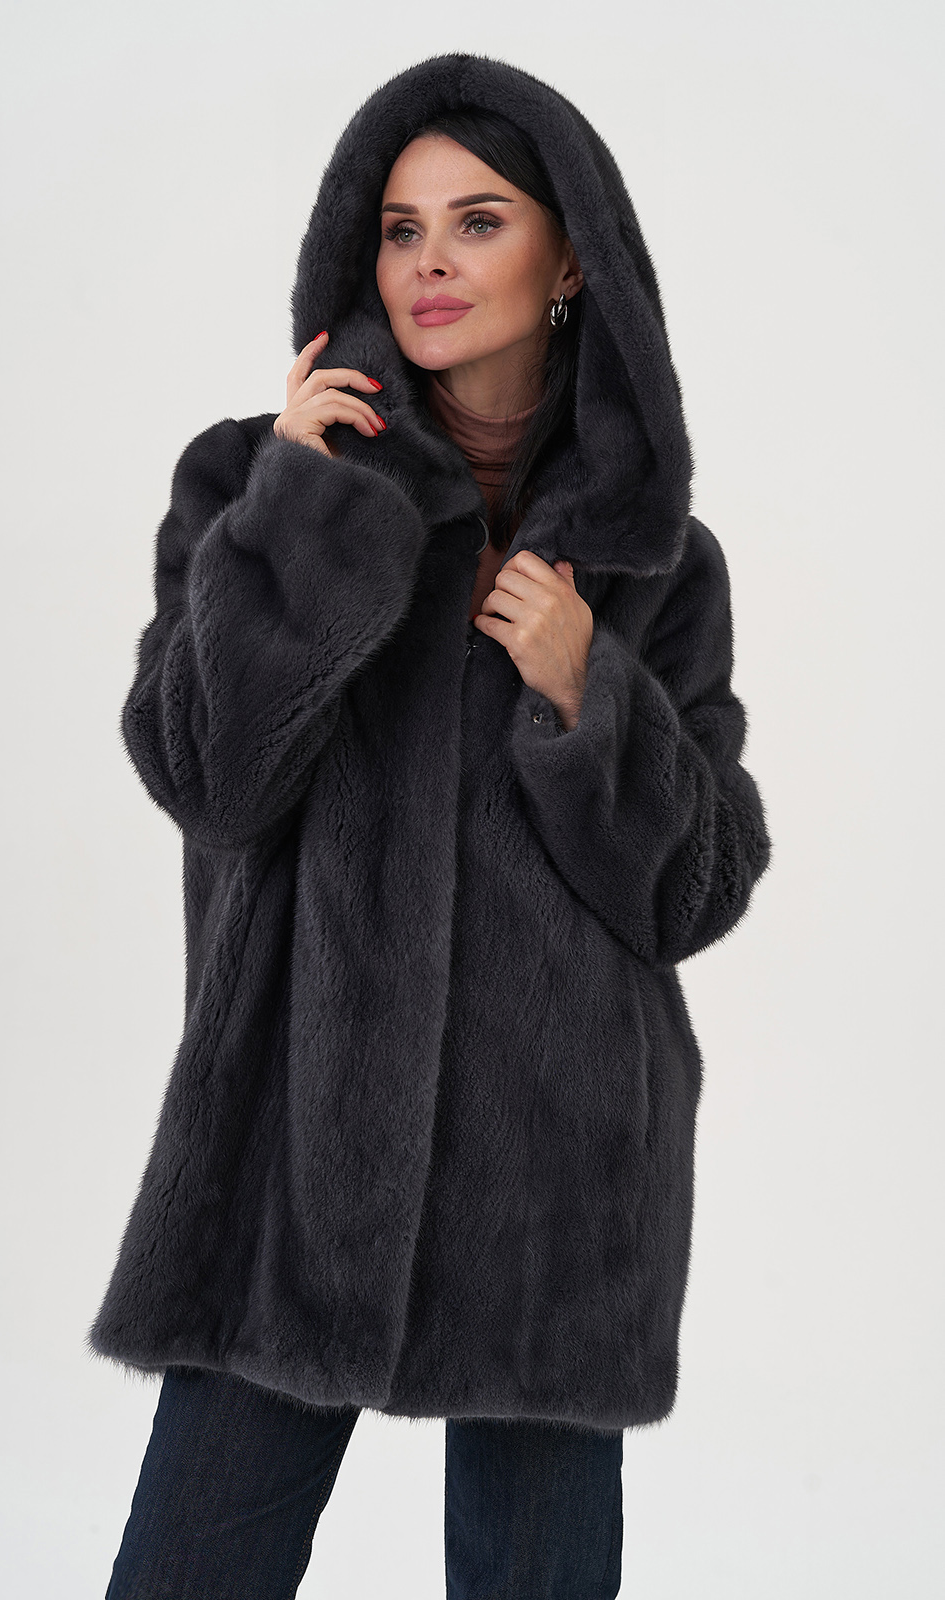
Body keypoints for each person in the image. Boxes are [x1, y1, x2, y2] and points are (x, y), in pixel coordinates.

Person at [90, 53, 772, 1598]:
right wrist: (306, 519)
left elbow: (694, 889)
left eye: (478, 222)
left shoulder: (658, 565)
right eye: (400, 229)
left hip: (557, 1184)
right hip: (292, 1157)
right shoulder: (260, 482)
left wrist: (586, 694)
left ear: (569, 261)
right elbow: (207, 775)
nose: (429, 264)